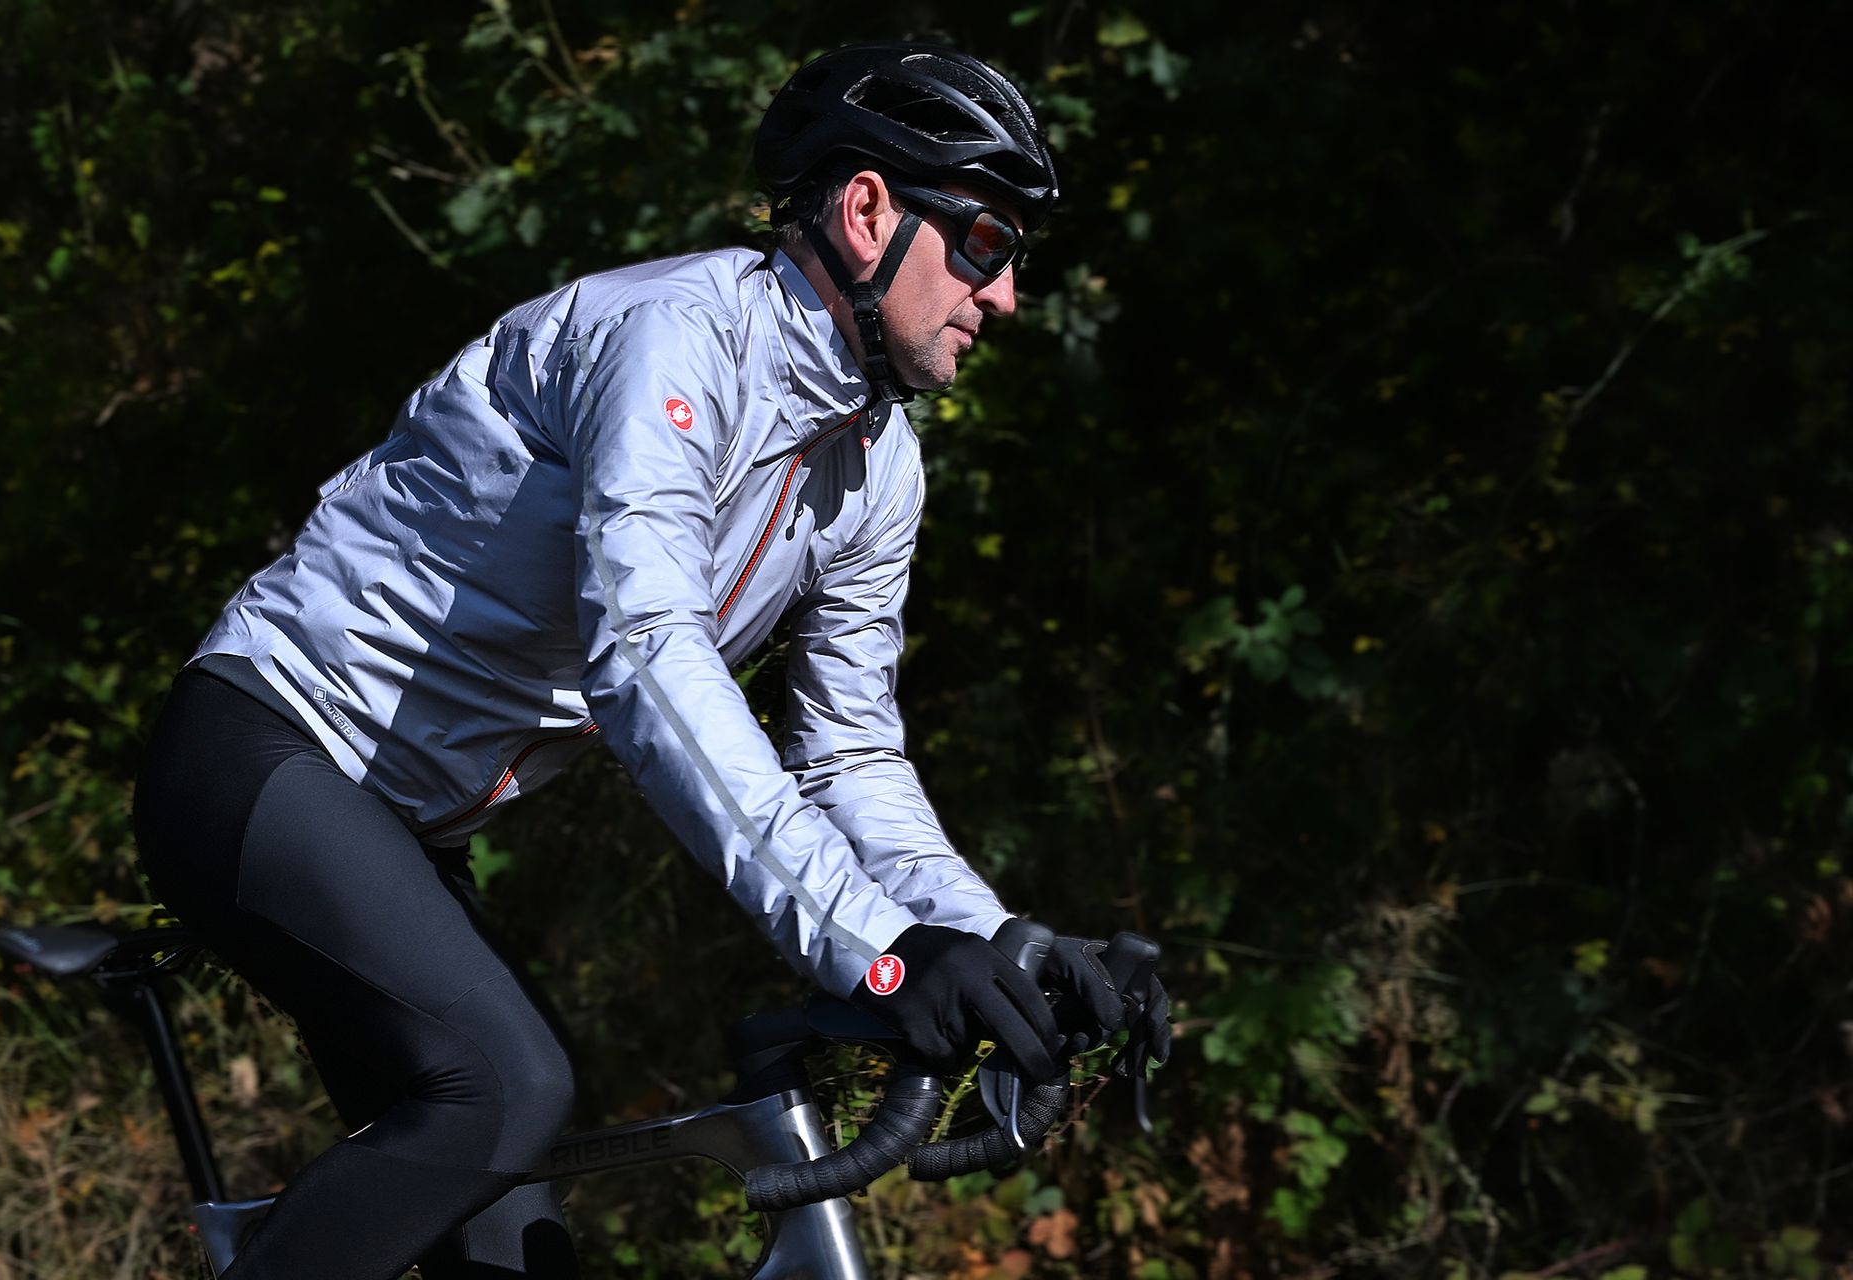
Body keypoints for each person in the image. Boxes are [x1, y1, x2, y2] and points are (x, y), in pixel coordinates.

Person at [132, 41, 1169, 1279]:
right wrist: (874, 952)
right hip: (263, 748)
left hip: (402, 826)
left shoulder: (876, 459)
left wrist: (986, 942)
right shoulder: (674, 335)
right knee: (504, 1085)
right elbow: (649, 651)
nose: (1003, 294)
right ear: (868, 209)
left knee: (514, 1240)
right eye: (987, 243)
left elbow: (847, 748)